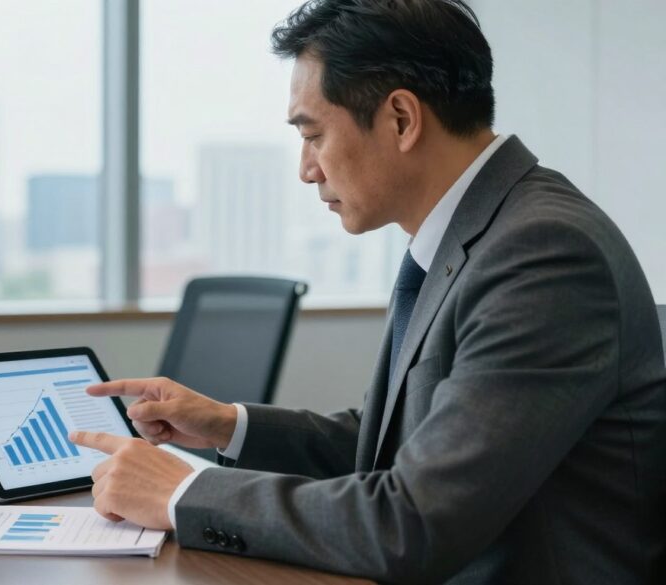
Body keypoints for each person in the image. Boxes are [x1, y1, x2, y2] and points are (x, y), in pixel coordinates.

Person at [69, 0, 666, 582]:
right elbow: (399, 444)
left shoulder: (543, 254)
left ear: (401, 119)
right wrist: (227, 424)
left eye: (313, 135)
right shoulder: (479, 235)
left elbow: (414, 523)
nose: (306, 169)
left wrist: (183, 493)